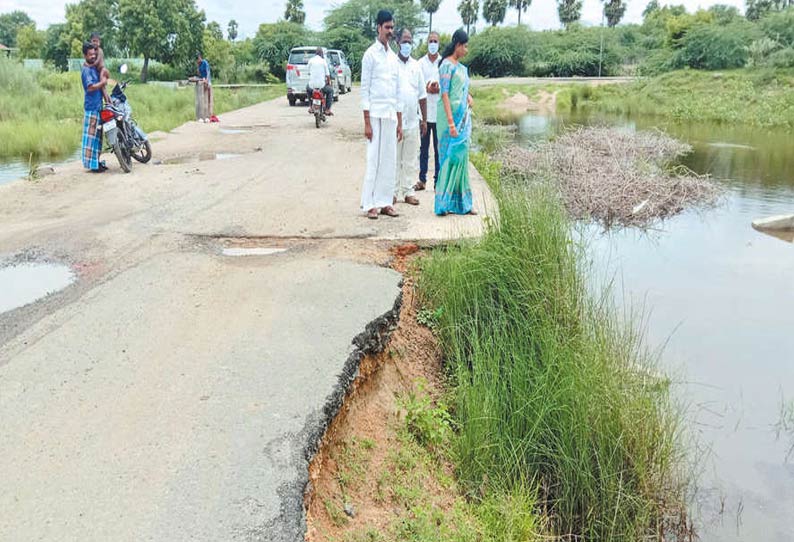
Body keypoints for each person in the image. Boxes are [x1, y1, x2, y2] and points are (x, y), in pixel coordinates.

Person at [360, 10, 403, 219]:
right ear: (378, 28)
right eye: (387, 27)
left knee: (389, 159)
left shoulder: (393, 58)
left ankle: (385, 201)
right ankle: (369, 204)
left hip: (390, 115)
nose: (390, 31)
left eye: (392, 27)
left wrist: (400, 122)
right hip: (375, 115)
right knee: (373, 159)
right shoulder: (370, 55)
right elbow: (364, 89)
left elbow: (397, 92)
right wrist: (366, 122)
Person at [435, 29, 477, 216]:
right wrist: (451, 123)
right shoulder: (446, 65)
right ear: (458, 45)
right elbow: (444, 93)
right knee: (448, 159)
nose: (466, 50)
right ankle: (443, 203)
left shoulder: (460, 68)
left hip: (463, 118)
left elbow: (460, 88)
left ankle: (463, 204)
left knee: (462, 158)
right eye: (465, 46)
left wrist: (467, 96)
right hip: (449, 120)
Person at [394, 28, 426, 206]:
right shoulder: (392, 64)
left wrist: (424, 120)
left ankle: (408, 192)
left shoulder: (416, 66)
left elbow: (422, 95)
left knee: (410, 159)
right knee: (394, 159)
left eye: (410, 41)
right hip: (396, 121)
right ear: (397, 42)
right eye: (404, 41)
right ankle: (392, 193)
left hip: (413, 121)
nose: (407, 44)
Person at [416, 31, 442, 192]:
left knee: (439, 148)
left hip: (439, 112)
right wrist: (426, 88)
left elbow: (447, 85)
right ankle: (422, 179)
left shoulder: (443, 62)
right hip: (424, 113)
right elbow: (417, 86)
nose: (433, 44)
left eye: (435, 41)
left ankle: (438, 181)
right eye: (430, 41)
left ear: (439, 44)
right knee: (423, 148)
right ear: (427, 43)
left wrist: (438, 88)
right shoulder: (420, 63)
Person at [80, 42, 108, 173]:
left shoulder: (93, 68)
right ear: (85, 55)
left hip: (98, 107)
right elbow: (90, 87)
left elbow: (101, 85)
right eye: (90, 54)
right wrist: (102, 82)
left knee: (97, 137)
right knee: (90, 138)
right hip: (91, 108)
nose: (93, 56)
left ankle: (96, 162)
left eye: (94, 54)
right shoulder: (86, 70)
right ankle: (92, 165)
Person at [306, 47, 334, 116]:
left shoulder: (311, 60)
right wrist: (329, 82)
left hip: (312, 86)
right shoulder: (323, 61)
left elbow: (308, 72)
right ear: (321, 54)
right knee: (330, 91)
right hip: (322, 85)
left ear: (315, 53)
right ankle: (327, 109)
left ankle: (311, 107)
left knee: (308, 89)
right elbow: (328, 75)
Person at [89, 32, 111, 105]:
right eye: (93, 41)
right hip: (99, 71)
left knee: (102, 87)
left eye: (97, 41)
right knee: (103, 89)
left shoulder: (100, 51)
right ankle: (110, 102)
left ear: (99, 42)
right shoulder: (93, 51)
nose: (95, 43)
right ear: (90, 41)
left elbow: (97, 61)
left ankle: (108, 103)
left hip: (103, 70)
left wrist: (90, 65)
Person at [196, 53, 213, 120]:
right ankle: (202, 116)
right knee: (202, 99)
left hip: (207, 82)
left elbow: (208, 72)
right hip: (202, 82)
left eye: (198, 59)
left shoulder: (205, 62)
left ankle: (209, 115)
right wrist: (197, 68)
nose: (197, 61)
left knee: (208, 99)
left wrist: (207, 80)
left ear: (200, 57)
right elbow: (200, 75)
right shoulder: (199, 65)